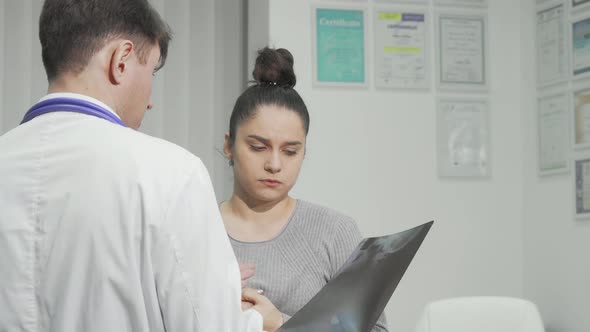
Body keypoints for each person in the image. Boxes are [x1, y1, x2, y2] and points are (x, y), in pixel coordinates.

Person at [0, 1, 281, 331]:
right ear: (120, 61)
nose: (150, 99)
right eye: (151, 72)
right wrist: (258, 320)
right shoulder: (171, 174)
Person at [221, 47, 389, 332]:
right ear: (229, 146)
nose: (274, 164)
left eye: (290, 151)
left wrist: (279, 324)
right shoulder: (196, 231)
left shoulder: (334, 232)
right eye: (258, 147)